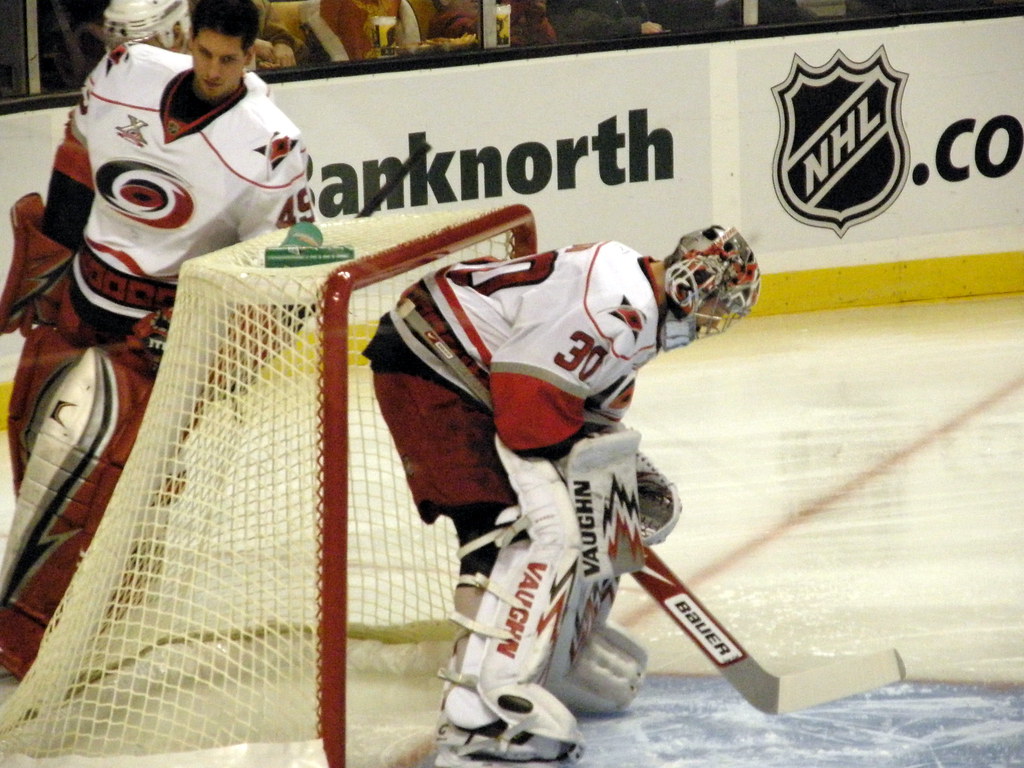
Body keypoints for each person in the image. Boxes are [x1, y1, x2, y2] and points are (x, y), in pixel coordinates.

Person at [0, 0, 316, 679]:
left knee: (81, 473)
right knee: (33, 446)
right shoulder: (125, 72)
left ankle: (22, 642)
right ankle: (108, 593)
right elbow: (77, 156)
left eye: (228, 59)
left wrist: (217, 345)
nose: (213, 70)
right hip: (76, 300)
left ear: (252, 56)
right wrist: (49, 263)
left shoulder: (272, 146)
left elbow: (291, 272)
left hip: (155, 336)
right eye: (204, 53)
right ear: (187, 40)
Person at [363, 225, 760, 765]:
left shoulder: (638, 302)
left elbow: (582, 411)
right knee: (514, 528)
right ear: (694, 281)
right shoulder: (615, 309)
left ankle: (561, 652)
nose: (715, 318)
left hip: (471, 363)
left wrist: (617, 468)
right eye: (719, 302)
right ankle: (478, 710)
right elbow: (528, 421)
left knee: (585, 513)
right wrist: (583, 459)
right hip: (433, 360)